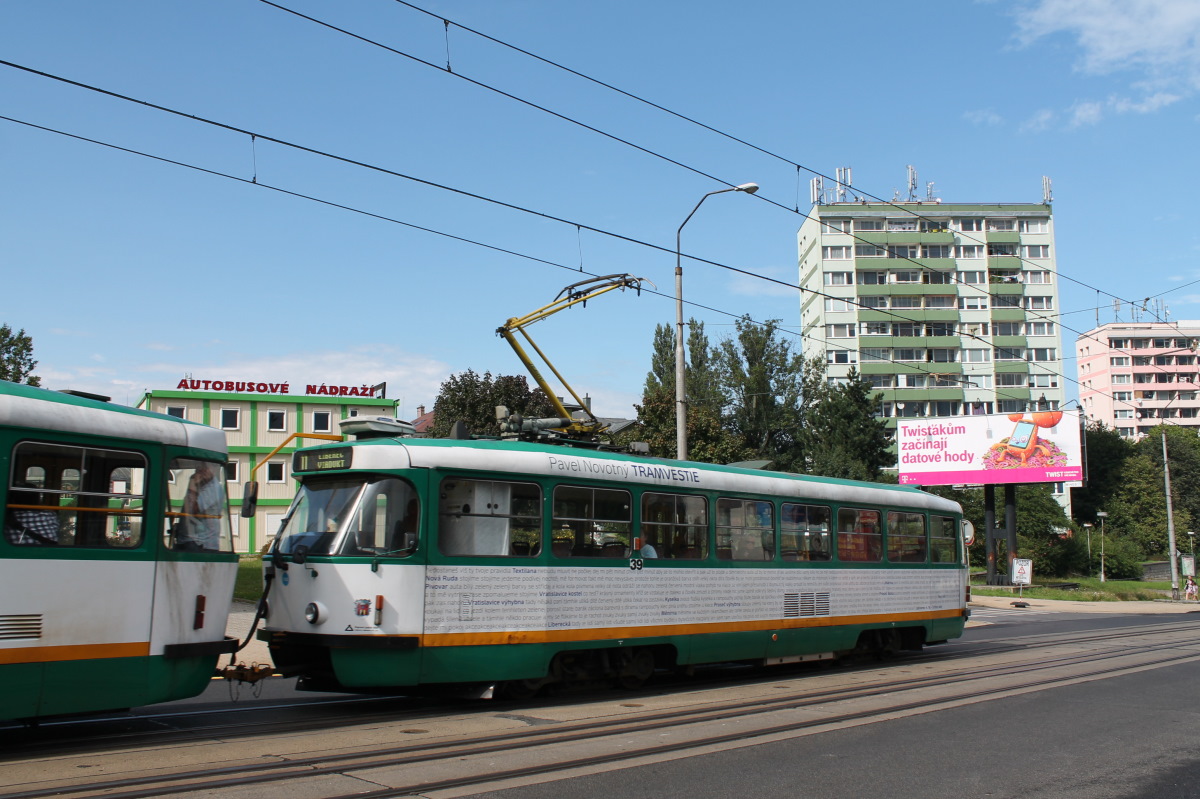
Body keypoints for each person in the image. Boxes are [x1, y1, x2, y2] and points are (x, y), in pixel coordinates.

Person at [178, 462, 224, 551]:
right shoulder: (199, 483)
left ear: (214, 469)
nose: (201, 470)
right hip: (188, 539)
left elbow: (193, 510)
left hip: (202, 544)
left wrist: (192, 487)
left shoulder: (214, 488)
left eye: (206, 467)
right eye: (200, 467)